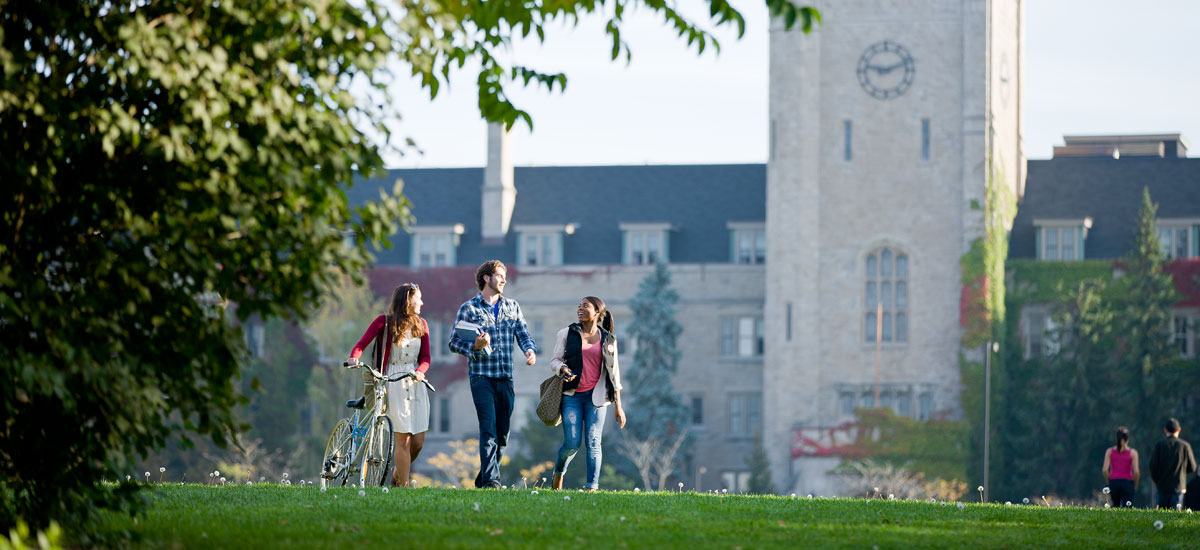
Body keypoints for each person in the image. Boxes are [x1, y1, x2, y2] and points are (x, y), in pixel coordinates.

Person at [448, 260, 538, 488]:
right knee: (488, 429)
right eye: (499, 275)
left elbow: (523, 333)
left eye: (504, 276)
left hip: (506, 377)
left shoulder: (512, 307)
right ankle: (491, 481)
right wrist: (474, 347)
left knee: (503, 434)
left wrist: (529, 350)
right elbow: (453, 343)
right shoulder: (469, 308)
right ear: (486, 278)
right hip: (481, 377)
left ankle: (484, 478)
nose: (504, 280)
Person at [348, 283, 431, 487]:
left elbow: (426, 357)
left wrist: (420, 371)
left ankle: (396, 475)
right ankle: (403, 488)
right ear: (407, 300)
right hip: (392, 381)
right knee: (403, 439)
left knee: (418, 442)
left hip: (415, 382)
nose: (421, 302)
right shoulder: (384, 322)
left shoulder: (422, 324)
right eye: (418, 298)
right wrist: (354, 358)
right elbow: (361, 344)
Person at [548, 296, 626, 491]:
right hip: (571, 397)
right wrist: (563, 369)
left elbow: (614, 373)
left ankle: (592, 487)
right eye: (579, 306)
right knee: (572, 443)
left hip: (597, 398)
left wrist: (618, 406)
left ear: (597, 312)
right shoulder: (567, 333)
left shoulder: (608, 339)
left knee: (593, 441)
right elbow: (554, 361)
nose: (580, 309)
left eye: (585, 306)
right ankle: (558, 474)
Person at [1148, 417, 1197, 509]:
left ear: (1165, 430)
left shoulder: (1160, 445)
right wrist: (1182, 472)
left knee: (1162, 517)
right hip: (1178, 486)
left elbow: (1153, 467)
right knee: (1175, 516)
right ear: (1179, 429)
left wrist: (1157, 480)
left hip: (1162, 487)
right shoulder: (1185, 446)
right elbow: (1193, 467)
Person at [1101, 426, 1139, 508]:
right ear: (1128, 438)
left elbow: (1104, 470)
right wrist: (1135, 484)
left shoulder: (1109, 451)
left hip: (1114, 482)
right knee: (1128, 508)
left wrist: (1110, 480)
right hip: (1127, 483)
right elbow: (1136, 472)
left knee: (1115, 507)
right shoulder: (1133, 453)